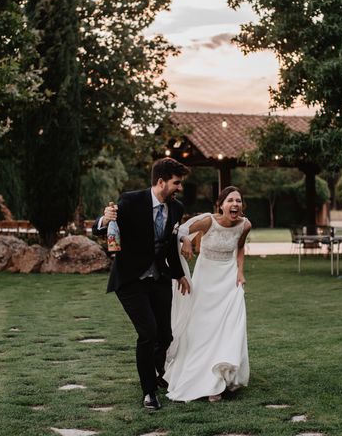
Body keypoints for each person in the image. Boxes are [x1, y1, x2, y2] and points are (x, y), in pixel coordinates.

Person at [93, 157, 192, 411]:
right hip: (130, 279)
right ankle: (148, 392)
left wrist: (179, 274)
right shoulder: (131, 200)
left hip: (159, 277)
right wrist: (104, 219)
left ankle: (158, 373)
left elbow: (170, 246)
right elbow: (102, 229)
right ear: (161, 182)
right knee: (147, 332)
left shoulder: (177, 208)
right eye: (176, 183)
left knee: (165, 334)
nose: (179, 187)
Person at [163, 186, 252, 402]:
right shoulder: (207, 221)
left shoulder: (245, 224)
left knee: (231, 325)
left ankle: (222, 376)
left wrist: (240, 272)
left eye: (238, 201)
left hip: (229, 279)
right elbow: (180, 231)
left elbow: (239, 247)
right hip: (206, 281)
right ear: (220, 204)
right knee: (203, 327)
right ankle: (202, 376)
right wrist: (186, 242)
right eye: (230, 200)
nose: (235, 204)